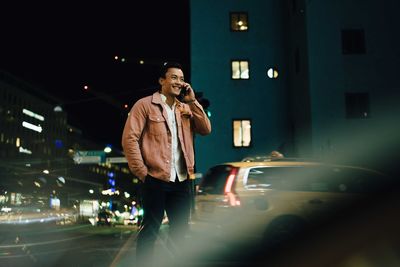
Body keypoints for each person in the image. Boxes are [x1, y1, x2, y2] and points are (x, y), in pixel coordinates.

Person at [121, 61, 211, 265]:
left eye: (181, 78)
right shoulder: (144, 105)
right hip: (155, 178)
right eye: (173, 77)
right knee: (151, 229)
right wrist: (142, 172)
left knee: (180, 231)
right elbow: (129, 139)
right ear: (161, 80)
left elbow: (206, 129)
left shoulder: (185, 108)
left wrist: (192, 102)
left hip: (181, 180)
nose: (179, 82)